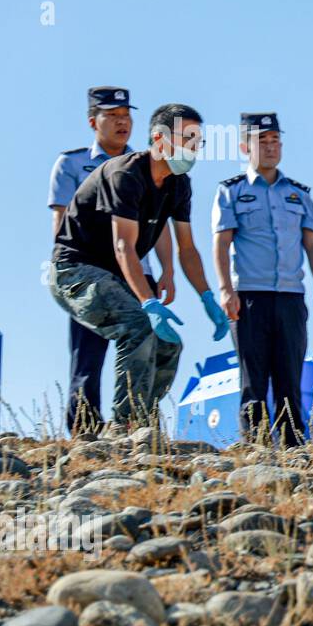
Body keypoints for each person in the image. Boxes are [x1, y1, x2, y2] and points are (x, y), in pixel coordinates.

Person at [49, 103, 229, 432]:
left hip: (113, 274)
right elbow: (124, 246)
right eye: (186, 139)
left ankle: (143, 423)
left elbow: (187, 249)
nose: (193, 149)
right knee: (138, 326)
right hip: (73, 270)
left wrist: (207, 298)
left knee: (168, 344)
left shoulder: (178, 183)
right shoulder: (126, 174)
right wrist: (148, 303)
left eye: (197, 142)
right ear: (159, 138)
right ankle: (125, 427)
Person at [48, 86, 174, 436]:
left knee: (146, 347)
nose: (122, 123)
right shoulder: (71, 163)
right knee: (88, 354)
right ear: (93, 121)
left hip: (137, 273)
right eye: (113, 116)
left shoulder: (150, 165)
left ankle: (138, 426)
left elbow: (161, 225)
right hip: (90, 271)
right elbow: (61, 220)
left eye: (127, 117)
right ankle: (85, 429)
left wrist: (168, 270)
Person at [212, 112, 313, 446]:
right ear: (243, 146)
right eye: (261, 141)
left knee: (289, 376)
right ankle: (256, 446)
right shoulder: (231, 191)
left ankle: (293, 446)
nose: (270, 147)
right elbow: (221, 243)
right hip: (249, 296)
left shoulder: (299, 194)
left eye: (275, 140)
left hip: (291, 297)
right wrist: (225, 290)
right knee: (254, 378)